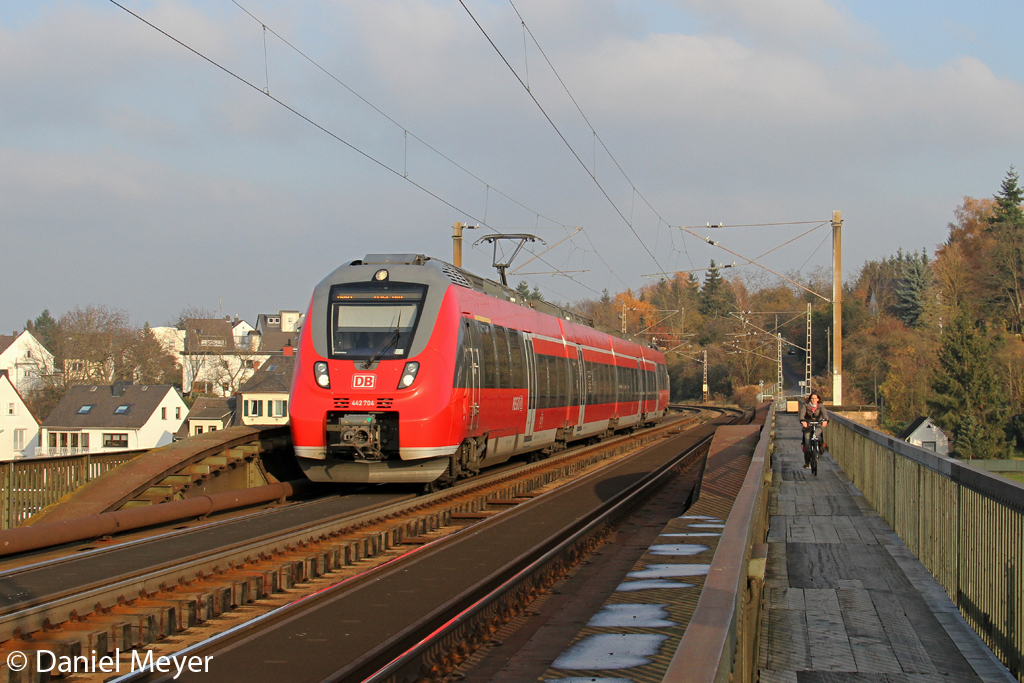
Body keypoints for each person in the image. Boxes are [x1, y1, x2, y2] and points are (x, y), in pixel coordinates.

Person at [800, 393, 828, 469]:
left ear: (818, 399)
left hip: (817, 424)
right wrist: (803, 421)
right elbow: (802, 414)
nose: (814, 400)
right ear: (810, 399)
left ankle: (820, 446)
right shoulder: (806, 406)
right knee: (807, 442)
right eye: (812, 398)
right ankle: (807, 462)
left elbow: (825, 414)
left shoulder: (820, 406)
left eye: (815, 398)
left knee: (818, 436)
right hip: (808, 425)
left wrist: (825, 420)